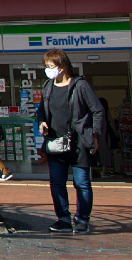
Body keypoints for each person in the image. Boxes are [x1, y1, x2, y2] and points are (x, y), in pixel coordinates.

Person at [35, 50, 105, 233]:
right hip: (55, 142)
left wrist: (95, 135)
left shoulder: (80, 86)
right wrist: (42, 122)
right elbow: (41, 110)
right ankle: (63, 219)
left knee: (82, 183)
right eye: (47, 67)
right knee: (57, 182)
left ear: (63, 66)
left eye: (51, 66)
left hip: (79, 142)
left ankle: (82, 219)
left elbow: (97, 110)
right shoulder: (48, 86)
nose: (48, 70)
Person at [96, 98, 119, 178]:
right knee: (105, 154)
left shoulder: (93, 113)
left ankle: (93, 171)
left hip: (95, 137)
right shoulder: (106, 113)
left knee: (95, 154)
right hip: (105, 137)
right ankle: (103, 171)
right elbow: (112, 125)